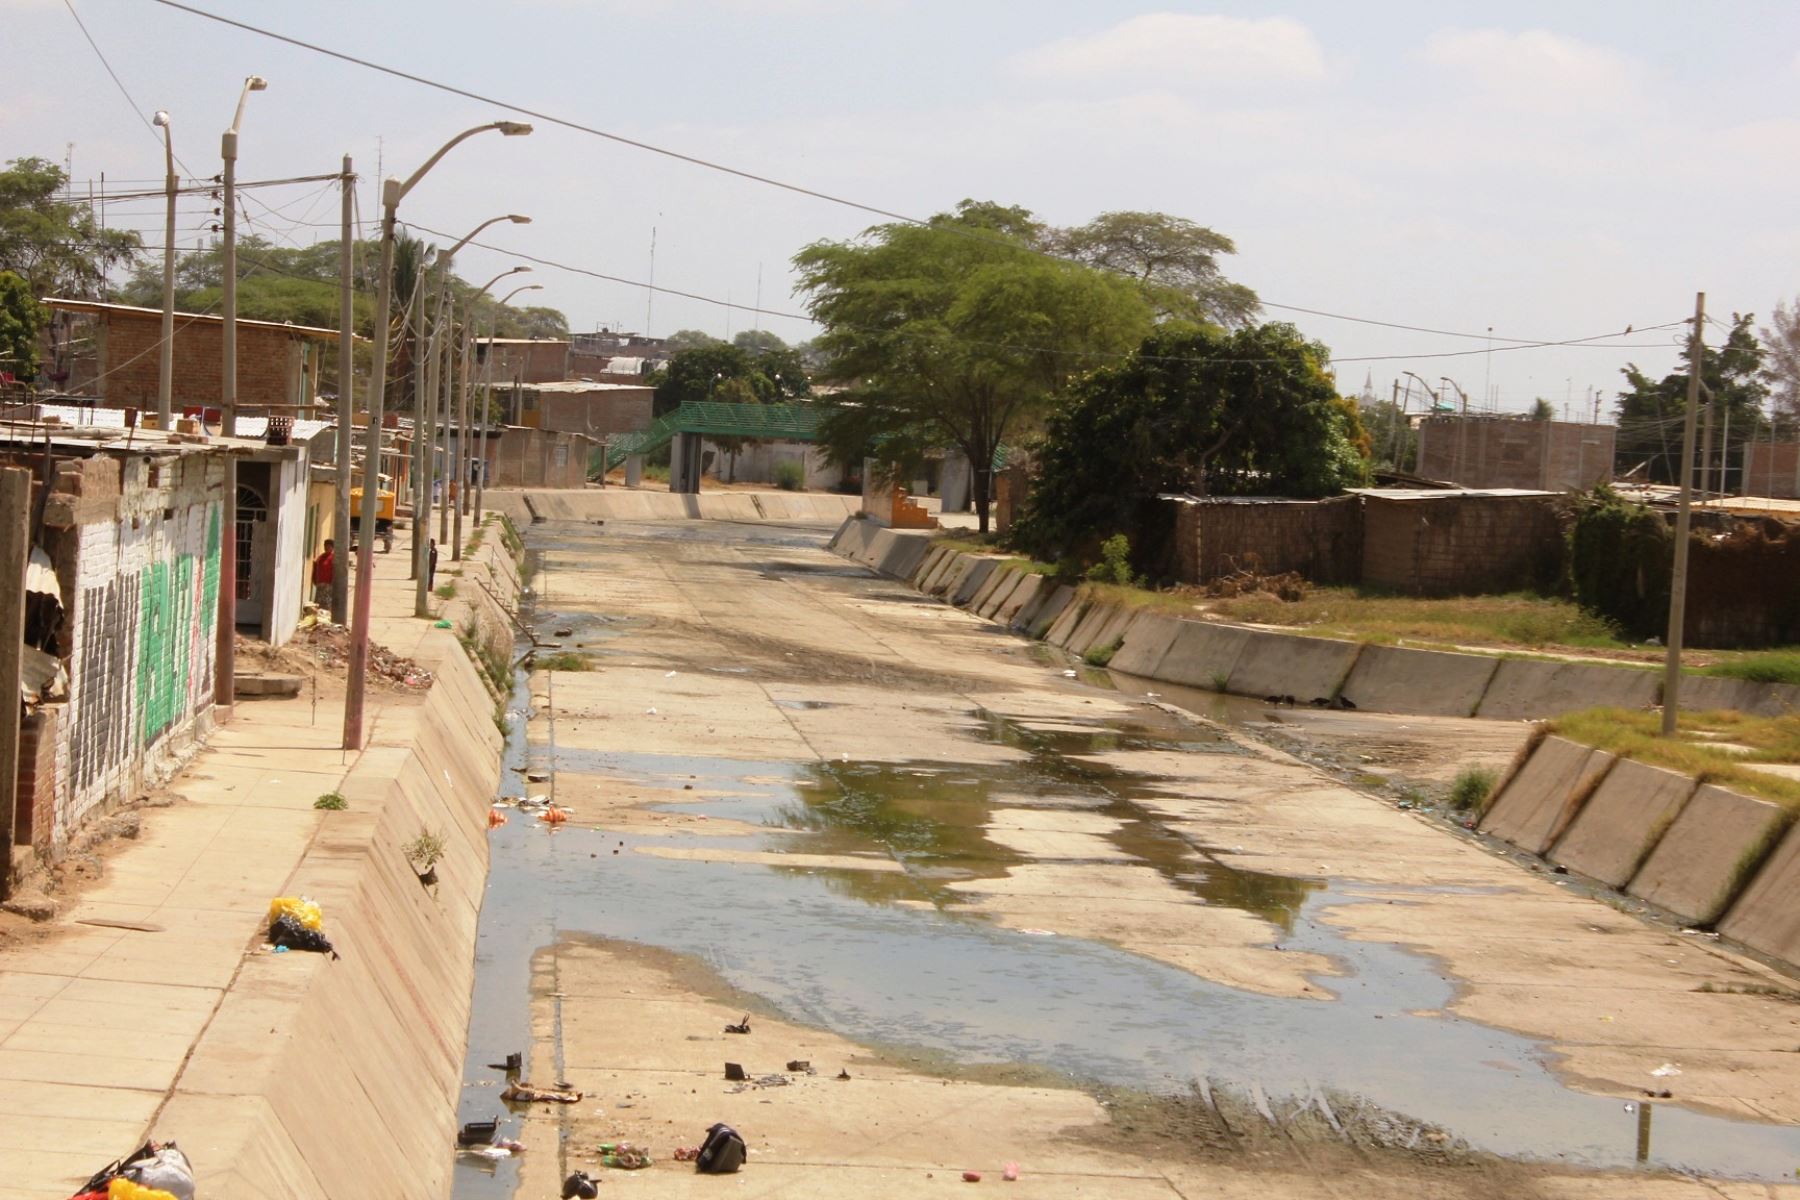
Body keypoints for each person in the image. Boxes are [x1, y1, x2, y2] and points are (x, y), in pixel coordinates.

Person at [311, 539, 335, 608]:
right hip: (320, 584)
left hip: (328, 585)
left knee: (326, 605)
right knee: (318, 604)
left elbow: (335, 571)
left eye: (328, 546)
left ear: (332, 547)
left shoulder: (334, 558)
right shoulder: (321, 557)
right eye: (325, 546)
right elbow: (316, 567)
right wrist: (314, 579)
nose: (326, 548)